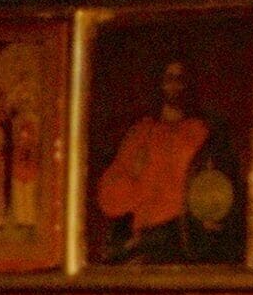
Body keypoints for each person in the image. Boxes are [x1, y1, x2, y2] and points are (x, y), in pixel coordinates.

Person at [95, 58, 233, 261]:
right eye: (170, 78)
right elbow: (109, 198)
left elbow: (218, 187)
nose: (176, 85)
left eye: (181, 78)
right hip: (148, 240)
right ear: (160, 83)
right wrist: (137, 184)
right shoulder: (141, 133)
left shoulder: (203, 131)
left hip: (189, 239)